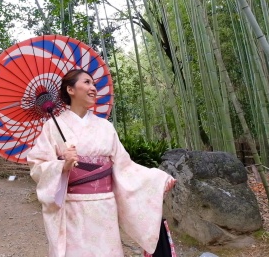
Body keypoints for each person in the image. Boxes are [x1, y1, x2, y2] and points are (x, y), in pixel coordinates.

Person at [27, 68, 176, 257]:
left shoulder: (106, 127)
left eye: (94, 84)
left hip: (105, 207)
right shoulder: (52, 127)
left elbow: (125, 167)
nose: (93, 88)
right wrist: (61, 166)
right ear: (71, 90)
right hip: (73, 208)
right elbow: (37, 165)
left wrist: (157, 179)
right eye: (87, 82)